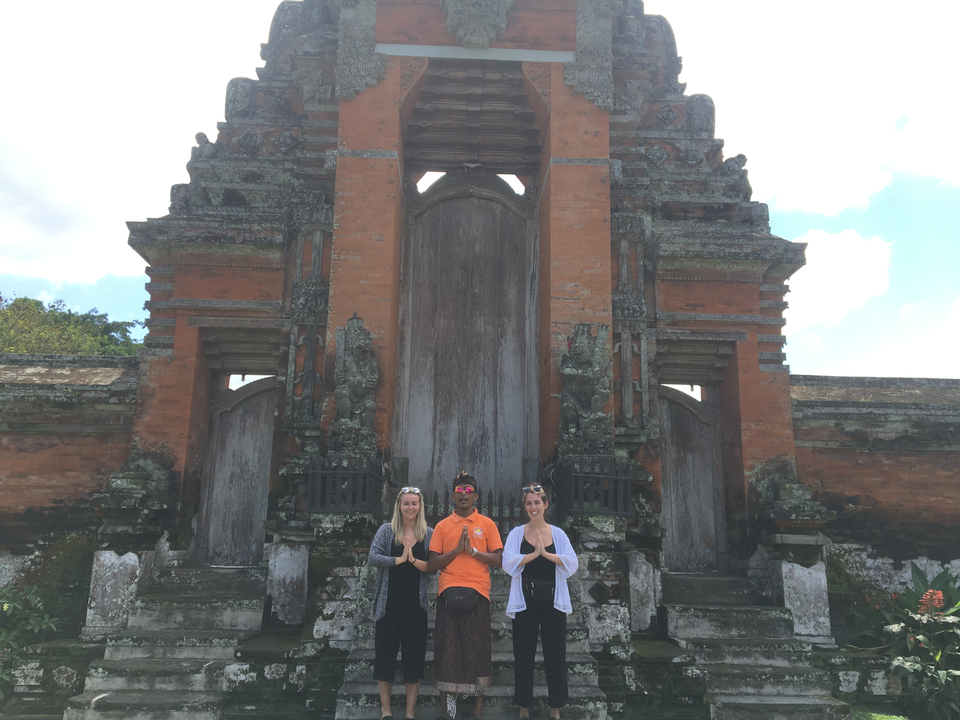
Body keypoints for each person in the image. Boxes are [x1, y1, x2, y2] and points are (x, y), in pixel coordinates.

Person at [428, 471, 503, 720]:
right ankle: (447, 711)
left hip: (478, 593)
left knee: (478, 651)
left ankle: (478, 711)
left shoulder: (487, 524)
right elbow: (432, 563)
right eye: (460, 490)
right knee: (446, 651)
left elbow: (498, 559)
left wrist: (472, 552)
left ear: (476, 496)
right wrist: (455, 551)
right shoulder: (442, 526)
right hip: (448, 592)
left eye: (468, 491)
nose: (464, 495)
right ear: (452, 496)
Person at [502, 484, 579, 720]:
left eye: (537, 502)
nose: (533, 507)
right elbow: (508, 562)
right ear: (524, 507)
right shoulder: (517, 533)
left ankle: (555, 710)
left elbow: (571, 563)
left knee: (555, 655)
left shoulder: (558, 534)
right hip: (525, 602)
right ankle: (524, 708)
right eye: (529, 503)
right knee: (523, 655)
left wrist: (546, 554)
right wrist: (533, 555)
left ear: (545, 505)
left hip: (553, 602)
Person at [368, 487, 433, 720]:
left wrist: (413, 559)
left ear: (420, 506)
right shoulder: (387, 531)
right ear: (399, 506)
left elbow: (433, 567)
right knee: (385, 655)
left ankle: (409, 713)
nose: (410, 507)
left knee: (413, 659)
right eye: (406, 503)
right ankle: (386, 711)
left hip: (416, 605)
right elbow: (372, 557)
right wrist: (399, 559)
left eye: (414, 503)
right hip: (389, 604)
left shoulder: (428, 533)